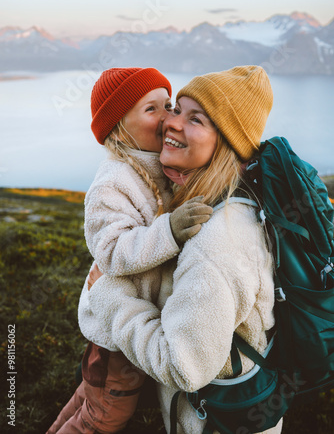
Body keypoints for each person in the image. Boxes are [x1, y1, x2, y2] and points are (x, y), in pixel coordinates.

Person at [87, 65, 283, 433]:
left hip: (213, 420)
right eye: (178, 109)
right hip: (209, 415)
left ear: (223, 141)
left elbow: (183, 366)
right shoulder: (213, 199)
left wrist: (109, 297)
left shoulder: (216, 246)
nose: (170, 122)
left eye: (195, 119)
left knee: (96, 416)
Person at [46, 67, 212, 434]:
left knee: (90, 397)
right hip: (115, 333)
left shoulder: (158, 166)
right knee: (105, 413)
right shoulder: (112, 183)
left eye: (168, 104)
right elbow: (113, 252)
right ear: (119, 127)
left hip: (134, 320)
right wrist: (168, 230)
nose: (169, 117)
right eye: (151, 109)